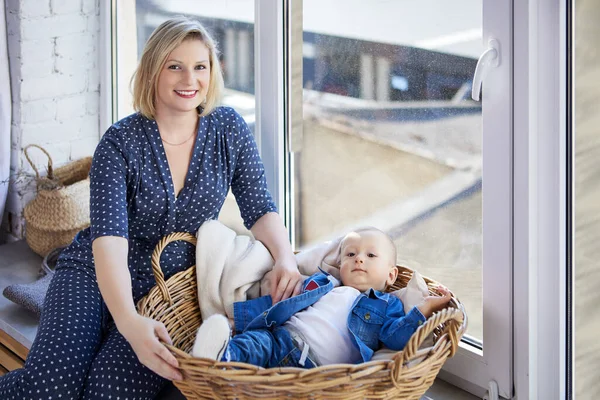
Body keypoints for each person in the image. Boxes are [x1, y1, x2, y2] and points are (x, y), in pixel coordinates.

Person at [0, 16, 302, 399]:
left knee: (109, 392)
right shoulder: (119, 142)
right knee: (48, 388)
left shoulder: (228, 129)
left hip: (168, 289)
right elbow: (109, 242)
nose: (189, 79)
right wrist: (127, 320)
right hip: (93, 272)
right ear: (153, 71)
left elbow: (259, 207)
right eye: (174, 66)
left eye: (200, 67)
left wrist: (285, 259)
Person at [193, 228, 451, 368]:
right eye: (350, 255)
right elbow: (282, 303)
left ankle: (227, 367)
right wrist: (236, 319)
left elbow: (396, 339)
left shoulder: (387, 305)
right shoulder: (324, 284)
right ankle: (220, 358)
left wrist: (424, 308)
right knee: (254, 343)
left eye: (371, 256)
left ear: (391, 276)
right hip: (279, 337)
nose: (359, 258)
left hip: (311, 366)